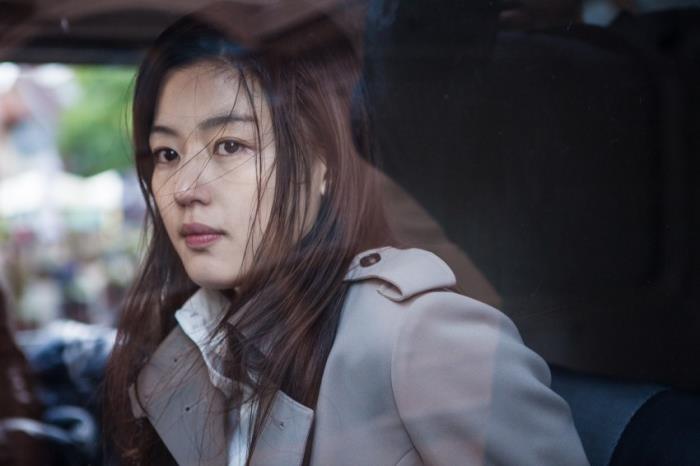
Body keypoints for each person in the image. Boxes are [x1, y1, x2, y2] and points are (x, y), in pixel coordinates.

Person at [104, 3, 589, 465]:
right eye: (167, 153)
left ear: (325, 162)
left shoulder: (420, 338)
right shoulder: (184, 349)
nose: (184, 188)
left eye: (230, 146)